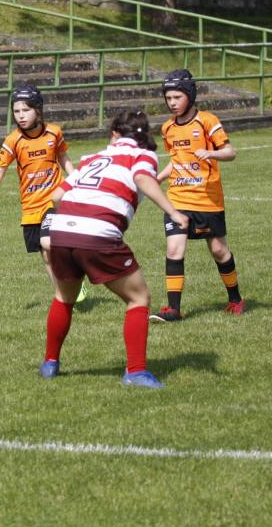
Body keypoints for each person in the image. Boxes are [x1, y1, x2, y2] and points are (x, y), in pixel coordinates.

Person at [40, 110, 189, 389]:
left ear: (114, 134)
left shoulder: (92, 157)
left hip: (61, 229)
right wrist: (173, 212)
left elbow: (57, 195)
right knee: (139, 297)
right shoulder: (143, 155)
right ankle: (136, 372)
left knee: (64, 298)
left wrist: (71, 222)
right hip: (98, 232)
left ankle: (50, 363)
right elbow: (143, 179)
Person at [150, 69, 246, 322]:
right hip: (178, 199)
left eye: (177, 97)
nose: (172, 103)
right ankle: (173, 309)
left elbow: (230, 152)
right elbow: (176, 160)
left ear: (190, 96)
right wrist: (159, 177)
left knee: (219, 250)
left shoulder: (207, 121)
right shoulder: (167, 128)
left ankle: (235, 299)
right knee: (174, 248)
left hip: (206, 199)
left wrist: (211, 153)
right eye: (168, 98)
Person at [0, 84, 86, 301]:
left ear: (38, 110)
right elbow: (0, 168)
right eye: (16, 111)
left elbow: (63, 157)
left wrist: (76, 178)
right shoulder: (13, 140)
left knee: (48, 242)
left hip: (53, 199)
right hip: (30, 207)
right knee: (45, 254)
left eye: (26, 110)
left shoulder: (53, 132)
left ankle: (72, 277)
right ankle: (63, 293)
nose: (20, 115)